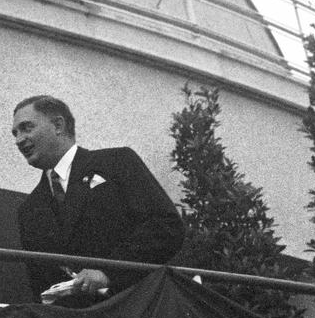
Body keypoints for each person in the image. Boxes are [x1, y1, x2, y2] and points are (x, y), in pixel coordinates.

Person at [10, 94, 185, 304]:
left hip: (136, 311)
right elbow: (41, 284)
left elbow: (166, 228)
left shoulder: (116, 163)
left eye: (27, 128)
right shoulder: (29, 210)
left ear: (58, 125)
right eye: (15, 133)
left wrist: (107, 272)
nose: (19, 140)